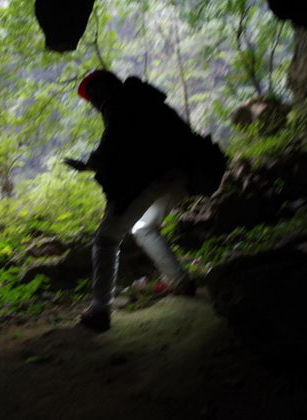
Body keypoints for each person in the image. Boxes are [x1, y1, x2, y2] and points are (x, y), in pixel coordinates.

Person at [65, 70, 227, 332]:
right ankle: (180, 281)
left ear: (102, 91)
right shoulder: (145, 98)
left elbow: (115, 146)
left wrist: (89, 165)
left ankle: (100, 310)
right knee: (144, 227)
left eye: (93, 97)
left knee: (106, 240)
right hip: (182, 174)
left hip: (150, 177)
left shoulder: (117, 104)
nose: (94, 104)